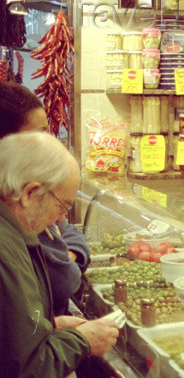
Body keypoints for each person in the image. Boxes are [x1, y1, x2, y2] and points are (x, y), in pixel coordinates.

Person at [0, 131, 119, 376]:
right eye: (62, 205)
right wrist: (81, 341)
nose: (62, 218)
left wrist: (49, 325)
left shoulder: (14, 232)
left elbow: (9, 334)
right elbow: (26, 369)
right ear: (29, 193)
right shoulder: (5, 251)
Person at [0, 81, 91, 316]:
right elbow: (66, 279)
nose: (48, 142)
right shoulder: (19, 205)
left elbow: (66, 228)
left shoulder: (27, 198)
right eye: (39, 135)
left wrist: (67, 250)